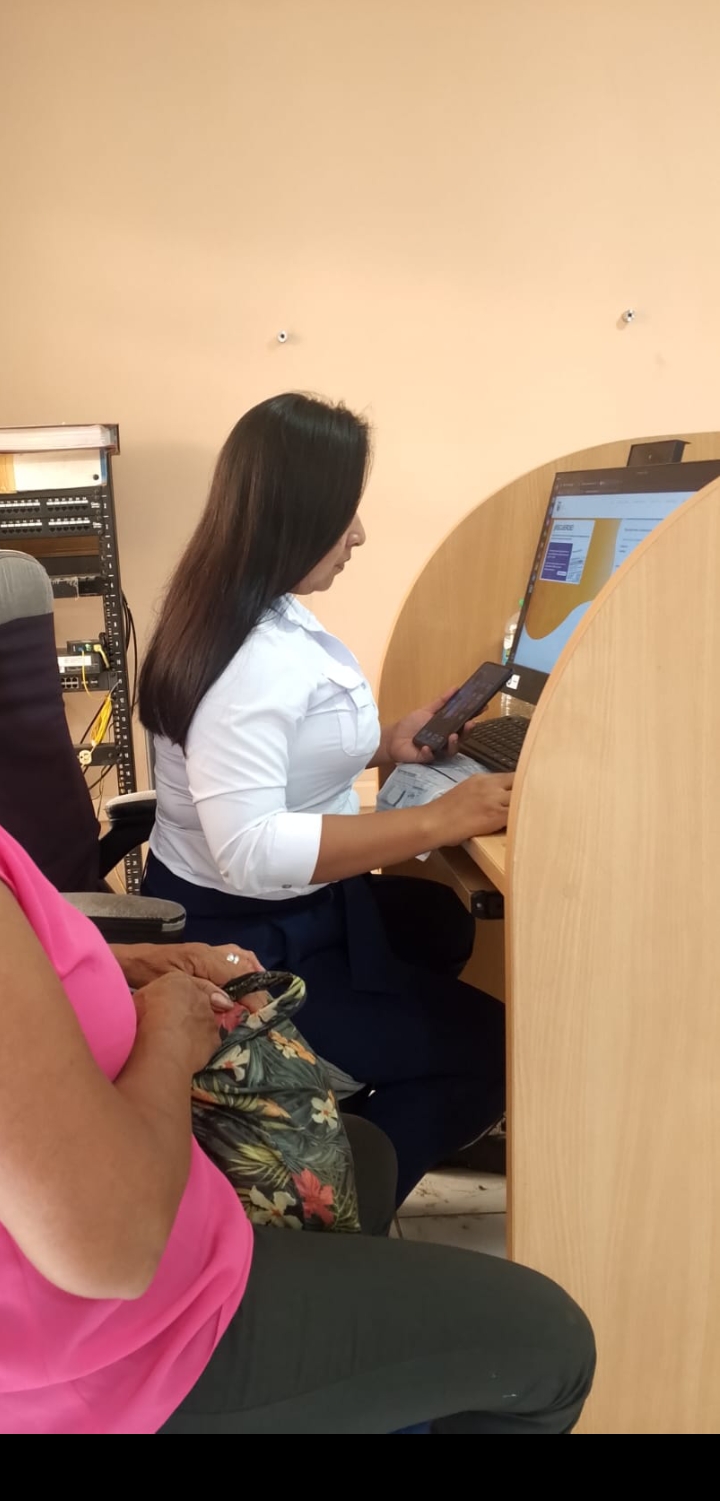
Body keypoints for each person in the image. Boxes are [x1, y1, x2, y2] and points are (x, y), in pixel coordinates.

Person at [0, 369, 594, 1433]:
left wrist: (121, 966)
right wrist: (172, 1030)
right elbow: (108, 1245)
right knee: (550, 1346)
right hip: (105, 1369)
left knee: (363, 1152)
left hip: (71, 1305)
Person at [139, 391, 510, 1204]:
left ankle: (341, 1096)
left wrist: (389, 745)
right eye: (346, 513)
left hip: (291, 907)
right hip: (247, 940)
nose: (360, 534)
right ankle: (337, 1200)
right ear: (296, 514)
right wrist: (439, 818)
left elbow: (274, 758)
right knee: (494, 1052)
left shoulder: (242, 609)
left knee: (441, 923)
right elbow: (249, 848)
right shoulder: (248, 663)